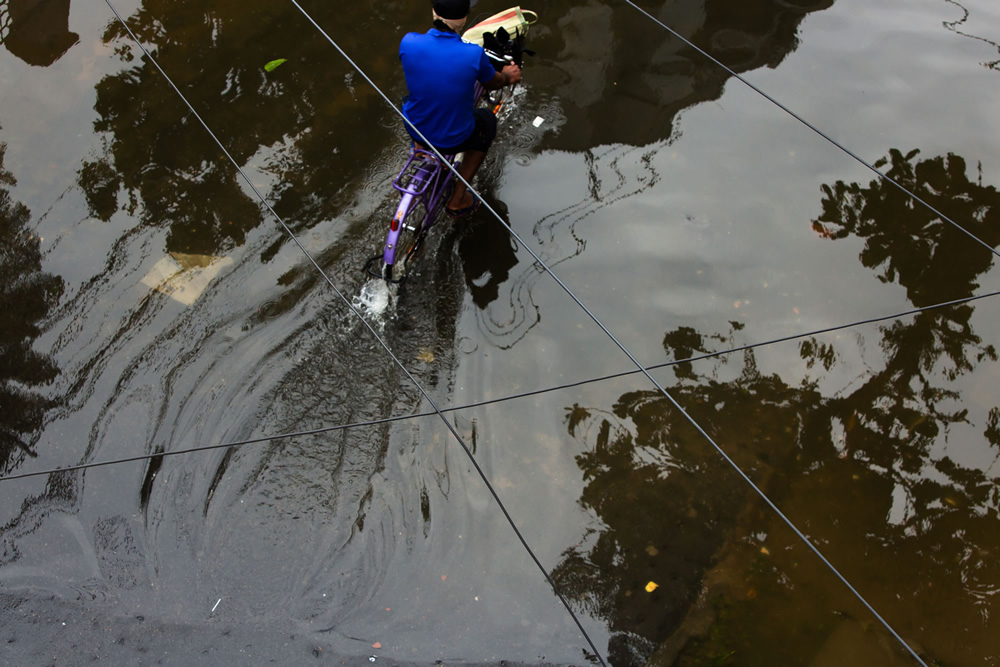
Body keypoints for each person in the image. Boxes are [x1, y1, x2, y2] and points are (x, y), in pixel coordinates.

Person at [399, 0, 522, 218]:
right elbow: (493, 81)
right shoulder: (473, 54)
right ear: (464, 19)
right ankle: (457, 199)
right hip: (454, 137)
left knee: (408, 98)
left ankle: (420, 147)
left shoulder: (408, 42)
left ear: (434, 13)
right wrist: (508, 75)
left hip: (415, 127)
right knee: (487, 122)